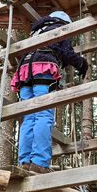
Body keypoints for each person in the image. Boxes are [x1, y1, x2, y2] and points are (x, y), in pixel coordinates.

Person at [10, 11, 88, 173]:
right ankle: (39, 162)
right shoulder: (60, 28)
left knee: (29, 116)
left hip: (24, 70)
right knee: (44, 114)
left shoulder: (36, 31)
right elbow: (67, 53)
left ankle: (24, 161)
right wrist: (82, 64)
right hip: (43, 67)